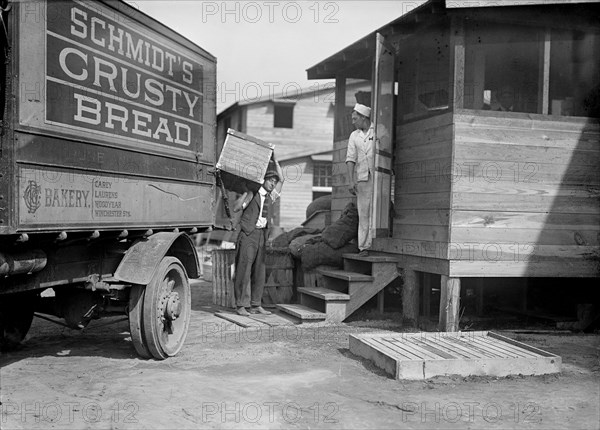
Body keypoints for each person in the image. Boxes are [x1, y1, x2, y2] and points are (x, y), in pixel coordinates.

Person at [232, 155, 284, 316]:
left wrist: (275, 161)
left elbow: (282, 180)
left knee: (259, 271)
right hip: (248, 234)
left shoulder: (271, 196)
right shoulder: (252, 193)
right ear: (263, 181)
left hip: (262, 235)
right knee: (243, 270)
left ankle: (255, 304)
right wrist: (246, 193)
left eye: (274, 181)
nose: (273, 183)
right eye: (270, 180)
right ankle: (241, 305)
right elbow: (236, 208)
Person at [345, 103, 374, 256]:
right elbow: (350, 158)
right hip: (363, 178)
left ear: (364, 117)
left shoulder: (378, 130)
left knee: (381, 209)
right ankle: (364, 246)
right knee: (364, 211)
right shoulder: (354, 135)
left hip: (380, 176)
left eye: (355, 118)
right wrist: (351, 180)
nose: (353, 121)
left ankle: (380, 241)